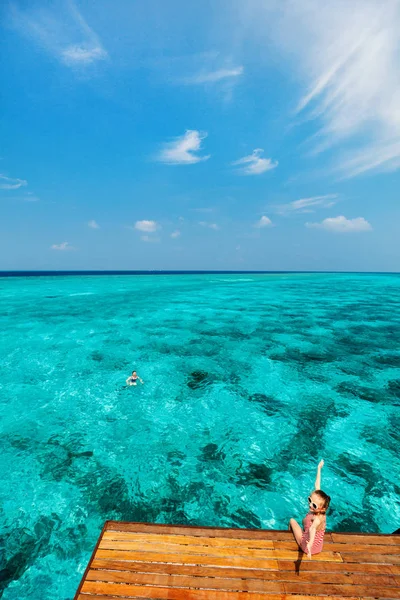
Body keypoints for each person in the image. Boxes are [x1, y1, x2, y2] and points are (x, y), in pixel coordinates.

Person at [289, 460, 330, 558]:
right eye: (309, 500)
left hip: (307, 547)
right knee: (304, 520)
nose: (310, 505)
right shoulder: (322, 513)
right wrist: (319, 468)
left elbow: (312, 528)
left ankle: (289, 538)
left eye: (314, 505)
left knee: (292, 521)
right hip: (318, 547)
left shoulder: (316, 519)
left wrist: (310, 544)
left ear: (321, 508)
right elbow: (317, 485)